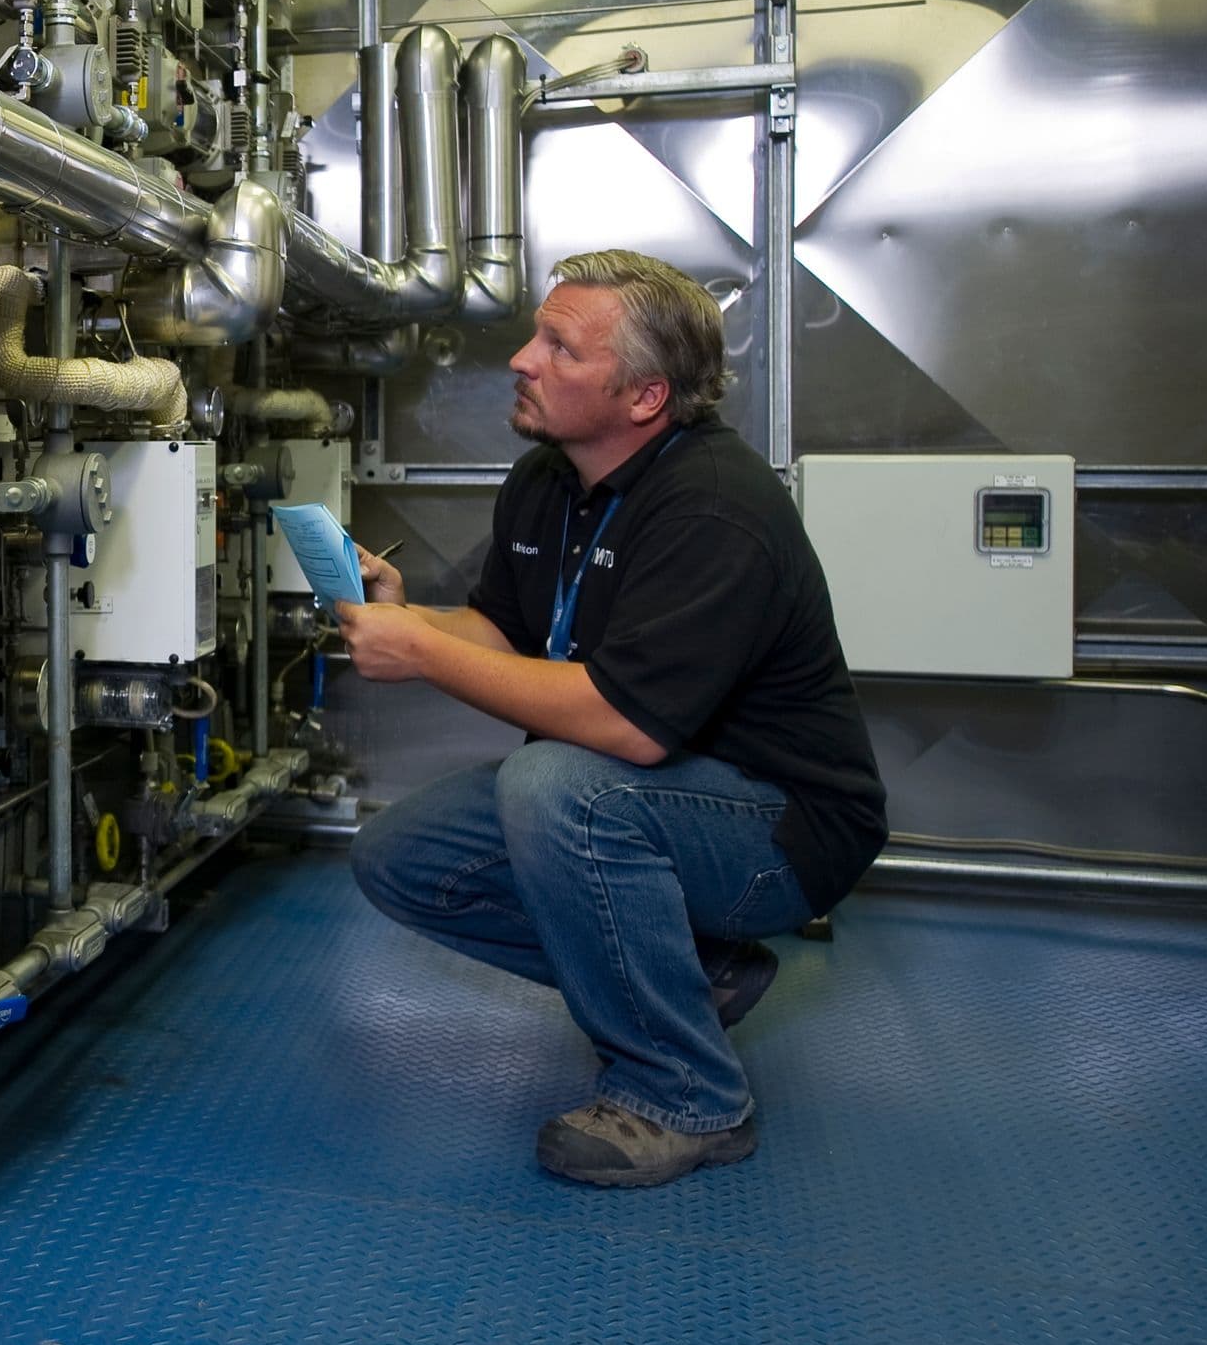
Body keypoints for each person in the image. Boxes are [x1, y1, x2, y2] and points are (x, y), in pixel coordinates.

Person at [335, 248, 885, 1188]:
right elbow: (503, 631)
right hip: (661, 801)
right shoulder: (551, 480)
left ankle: (687, 1097)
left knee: (558, 785)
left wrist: (422, 656)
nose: (522, 359)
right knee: (402, 857)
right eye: (535, 334)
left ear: (643, 398)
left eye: (560, 347)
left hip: (780, 831)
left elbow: (627, 729)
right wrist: (408, 612)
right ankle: (697, 975)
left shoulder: (714, 509)